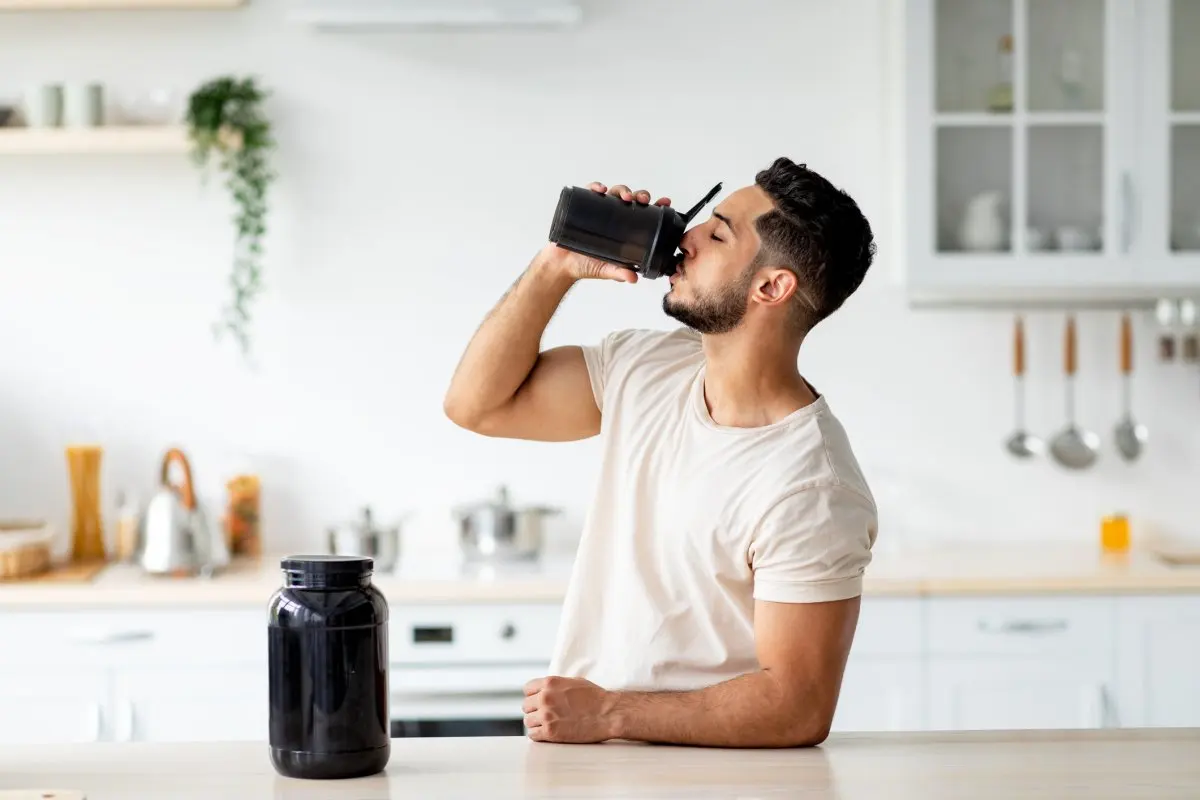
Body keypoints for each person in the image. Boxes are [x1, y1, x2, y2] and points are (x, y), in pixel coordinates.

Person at [443, 156, 879, 748]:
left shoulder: (813, 486)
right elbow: (477, 405)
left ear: (771, 287)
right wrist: (557, 266)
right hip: (591, 767)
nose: (687, 236)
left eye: (718, 232)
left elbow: (795, 706)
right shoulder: (645, 368)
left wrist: (609, 714)